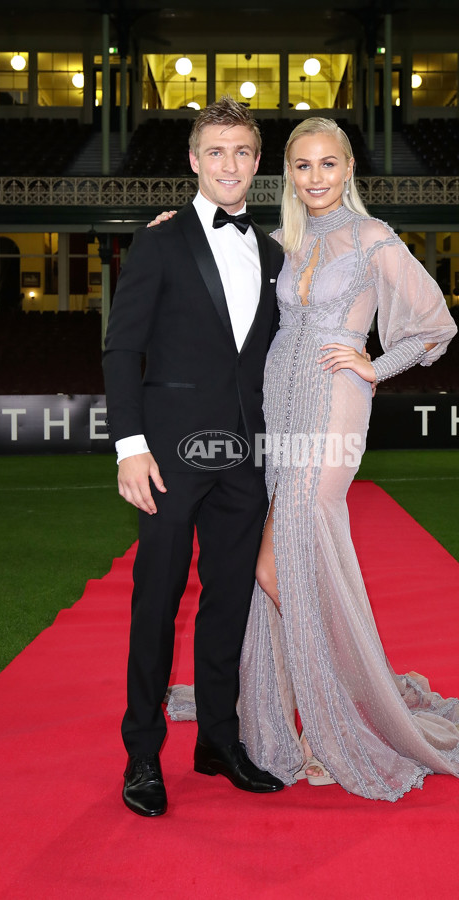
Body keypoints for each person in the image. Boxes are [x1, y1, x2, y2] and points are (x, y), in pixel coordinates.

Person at [162, 116, 459, 800]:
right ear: (290, 176)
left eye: (327, 165)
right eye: (302, 166)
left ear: (349, 169)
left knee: (279, 561)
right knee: (282, 560)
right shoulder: (282, 244)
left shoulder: (375, 239)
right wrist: (175, 227)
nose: (315, 178)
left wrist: (373, 364)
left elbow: (435, 326)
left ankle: (338, 718)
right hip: (274, 407)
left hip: (334, 406)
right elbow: (220, 275)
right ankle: (295, 707)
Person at [103, 96, 285, 818]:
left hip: (245, 459)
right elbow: (122, 347)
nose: (230, 164)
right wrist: (129, 447)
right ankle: (143, 754)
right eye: (216, 151)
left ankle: (218, 739)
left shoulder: (270, 252)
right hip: (169, 457)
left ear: (257, 162)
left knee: (229, 602)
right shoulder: (159, 241)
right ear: (193, 159)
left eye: (241, 151)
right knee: (156, 602)